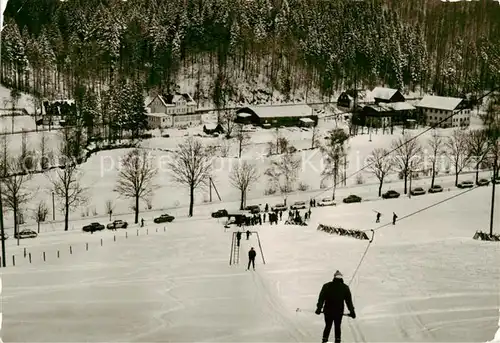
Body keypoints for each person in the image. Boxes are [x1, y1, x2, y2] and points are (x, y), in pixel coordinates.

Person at [315, 270, 356, 343]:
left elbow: (321, 298)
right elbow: (348, 301)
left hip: (328, 310)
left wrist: (319, 308)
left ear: (334, 277)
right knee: (337, 326)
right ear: (341, 278)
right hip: (338, 311)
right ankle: (337, 340)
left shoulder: (326, 286)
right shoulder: (345, 287)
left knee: (328, 326)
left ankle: (324, 340)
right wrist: (352, 311)